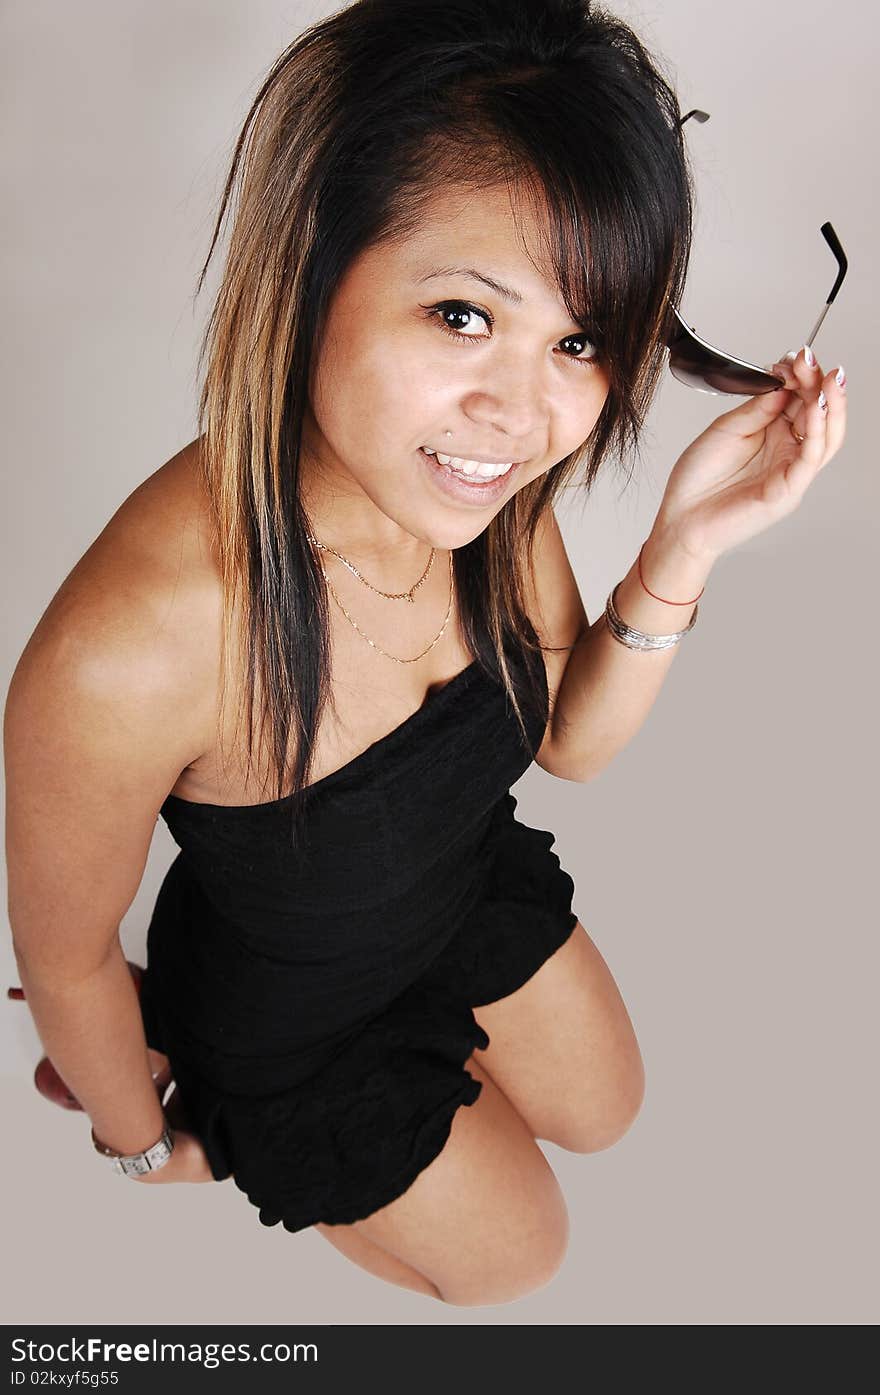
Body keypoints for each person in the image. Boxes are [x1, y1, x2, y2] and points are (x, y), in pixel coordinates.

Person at [4, 0, 847, 1308]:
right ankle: (252, 1115)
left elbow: (569, 743)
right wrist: (152, 1144)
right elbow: (61, 955)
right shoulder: (132, 647)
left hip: (449, 892)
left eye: (578, 341)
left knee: (609, 1111)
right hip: (289, 1024)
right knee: (524, 1258)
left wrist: (684, 543)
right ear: (313, 274)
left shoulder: (482, 492)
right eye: (462, 314)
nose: (524, 413)